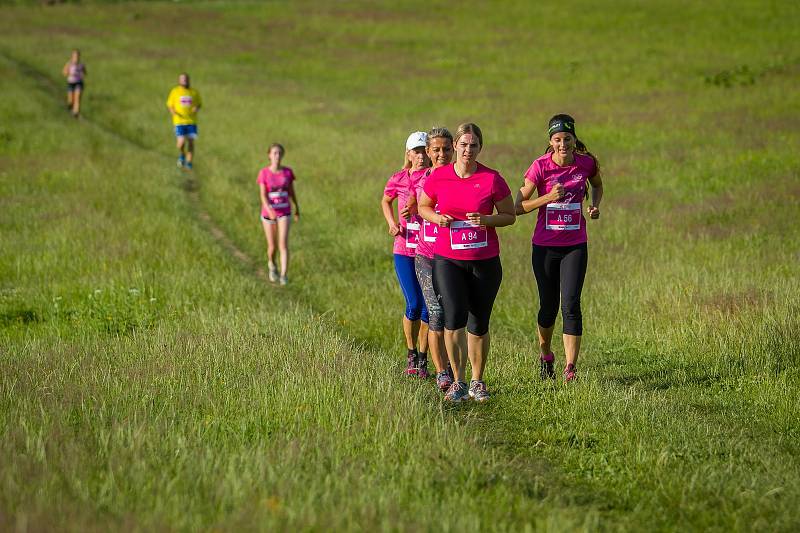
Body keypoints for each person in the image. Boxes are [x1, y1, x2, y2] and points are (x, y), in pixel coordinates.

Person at [418, 123, 516, 402]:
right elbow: (424, 206)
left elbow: (509, 215)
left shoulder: (492, 178)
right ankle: (458, 382)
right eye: (463, 145)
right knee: (453, 319)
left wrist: (486, 220)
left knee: (479, 323)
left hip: (484, 262)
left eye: (473, 146)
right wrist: (437, 218)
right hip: (448, 260)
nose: (467, 150)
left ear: (479, 148)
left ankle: (477, 381)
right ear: (456, 146)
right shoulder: (439, 178)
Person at [514, 114, 603, 382]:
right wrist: (548, 197)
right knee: (548, 306)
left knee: (572, 304)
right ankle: (545, 354)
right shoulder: (540, 167)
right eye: (557, 140)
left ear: (574, 140)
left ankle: (570, 368)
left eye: (567, 139)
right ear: (550, 142)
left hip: (575, 245)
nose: (563, 144)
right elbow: (518, 207)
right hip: (545, 247)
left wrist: (595, 205)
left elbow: (597, 185)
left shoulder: (586, 164)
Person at [381, 132, 431, 377]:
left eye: (424, 151)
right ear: (408, 154)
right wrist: (392, 223)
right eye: (416, 151)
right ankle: (411, 353)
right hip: (403, 249)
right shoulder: (398, 178)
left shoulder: (433, 177)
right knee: (413, 304)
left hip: (427, 249)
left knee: (427, 310)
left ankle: (423, 359)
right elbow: (385, 200)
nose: (421, 156)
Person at [412, 127, 454, 391]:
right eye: (436, 150)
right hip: (426, 256)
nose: (441, 154)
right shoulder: (417, 180)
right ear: (427, 152)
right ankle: (441, 373)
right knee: (436, 314)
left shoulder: (458, 177)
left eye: (446, 149)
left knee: (453, 316)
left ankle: (452, 367)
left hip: (453, 257)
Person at [258, 143, 300, 285]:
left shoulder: (287, 172)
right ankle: (272, 264)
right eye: (274, 153)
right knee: (272, 246)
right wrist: (269, 210)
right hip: (268, 213)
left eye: (279, 153)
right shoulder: (264, 173)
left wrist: (296, 207)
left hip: (284, 211)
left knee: (283, 243)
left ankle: (283, 275)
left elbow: (291, 191)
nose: (277, 156)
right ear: (269, 155)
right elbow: (263, 195)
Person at [166, 73, 202, 169]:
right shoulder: (175, 91)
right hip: (179, 121)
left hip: (191, 121)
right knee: (181, 143)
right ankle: (182, 155)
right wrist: (172, 111)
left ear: (189, 80)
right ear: (179, 81)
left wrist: (196, 108)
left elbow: (199, 104)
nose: (184, 80)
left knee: (190, 142)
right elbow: (169, 104)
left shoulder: (194, 92)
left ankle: (189, 162)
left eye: (186, 79)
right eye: (182, 79)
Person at [62, 49, 86, 118]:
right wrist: (69, 73)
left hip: (79, 82)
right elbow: (64, 72)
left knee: (77, 97)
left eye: (77, 56)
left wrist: (83, 74)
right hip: (71, 83)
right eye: (75, 56)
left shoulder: (81, 65)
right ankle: (70, 106)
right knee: (71, 100)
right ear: (72, 57)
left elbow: (84, 72)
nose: (76, 58)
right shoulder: (69, 64)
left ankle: (76, 112)